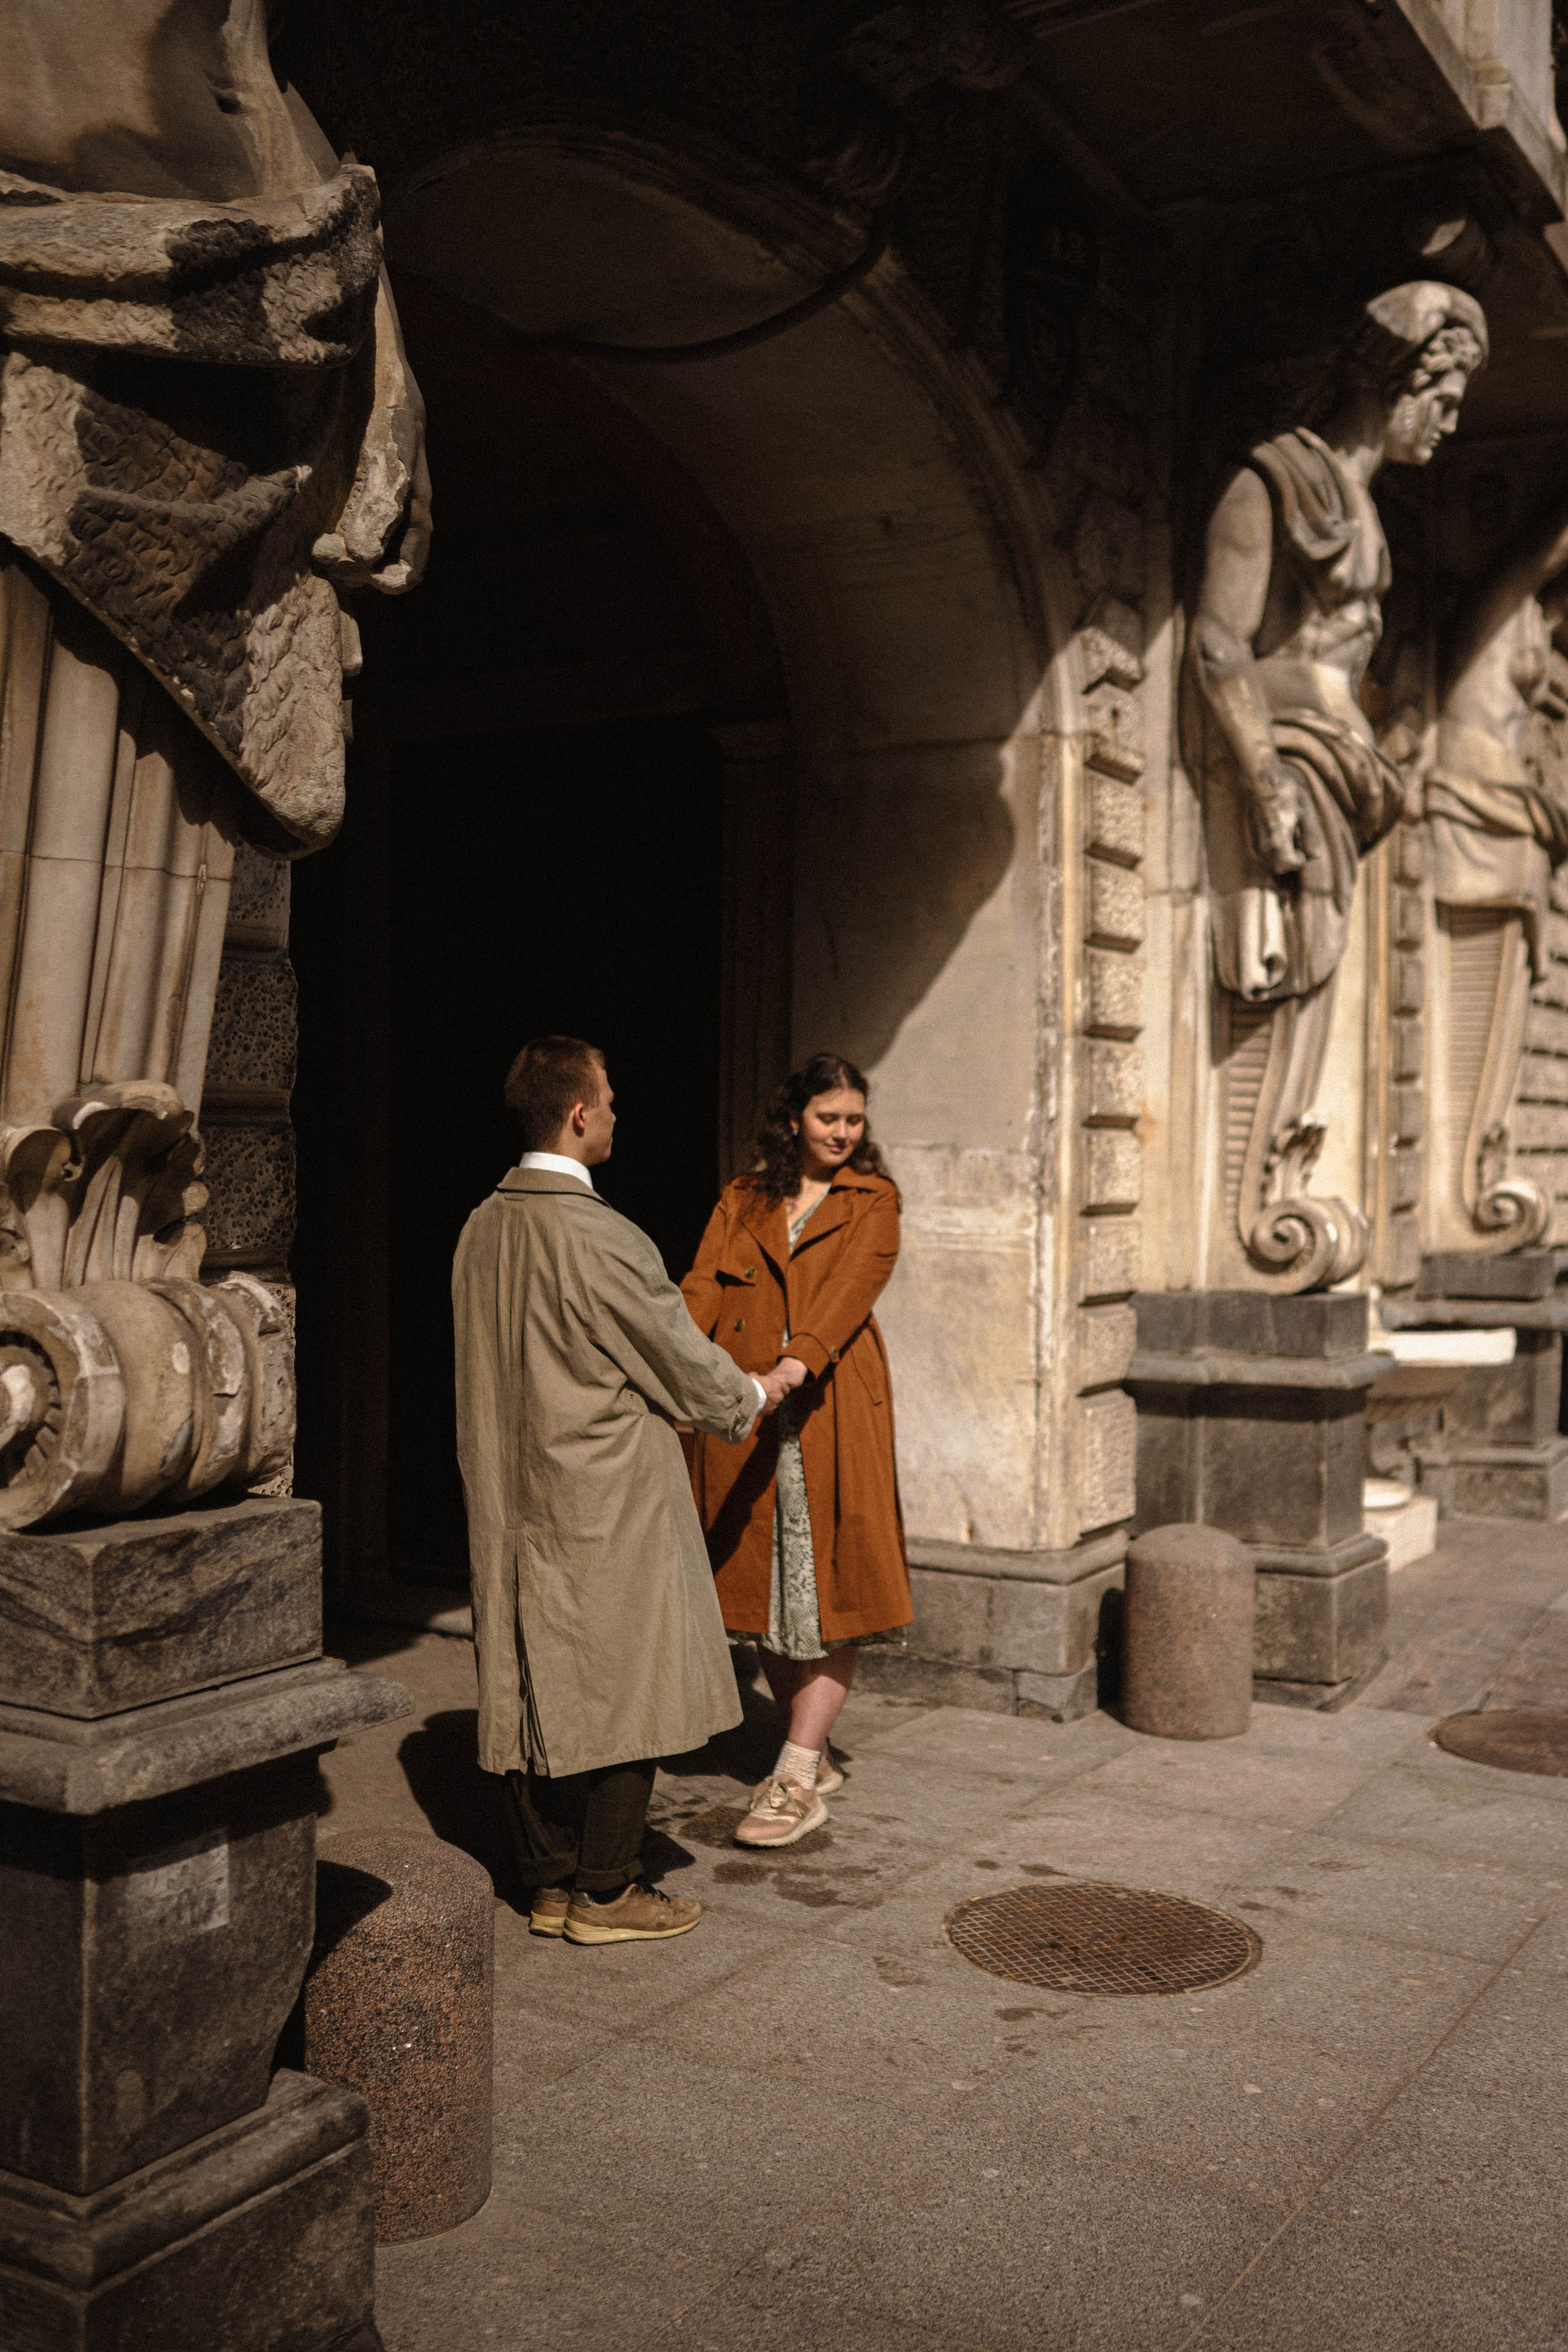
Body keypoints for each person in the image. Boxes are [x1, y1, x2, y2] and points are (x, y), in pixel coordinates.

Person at [452, 1036, 802, 1946]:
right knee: (629, 1682)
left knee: (521, 1675)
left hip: (507, 1487)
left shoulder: (481, 1226)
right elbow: (684, 1361)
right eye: (607, 1098)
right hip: (604, 1494)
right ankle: (606, 1891)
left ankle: (550, 1885)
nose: (615, 1111)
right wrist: (753, 1392)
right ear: (577, 1115)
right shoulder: (602, 1236)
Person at [680, 1052, 911, 1850]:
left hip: (829, 1410)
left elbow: (852, 1291)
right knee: (761, 1601)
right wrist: (672, 1364)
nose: (844, 1133)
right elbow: (702, 1291)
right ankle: (805, 1748)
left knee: (828, 1589)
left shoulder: (874, 1201)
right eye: (828, 1118)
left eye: (854, 1119)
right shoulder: (744, 1197)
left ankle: (797, 1774)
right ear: (793, 1120)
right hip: (746, 1410)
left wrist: (793, 1363)